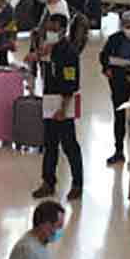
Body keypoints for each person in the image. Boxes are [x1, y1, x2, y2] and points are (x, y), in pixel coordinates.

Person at [29, 11, 86, 201]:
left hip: (64, 103)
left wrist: (63, 108)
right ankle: (48, 182)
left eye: (54, 29)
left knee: (69, 145)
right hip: (50, 100)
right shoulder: (49, 49)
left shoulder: (69, 52)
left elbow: (71, 82)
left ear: (62, 30)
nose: (50, 32)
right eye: (48, 29)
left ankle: (77, 184)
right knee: (50, 143)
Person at [100, 10, 130, 165]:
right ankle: (118, 151)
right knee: (119, 117)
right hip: (118, 82)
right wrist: (106, 68)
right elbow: (104, 56)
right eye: (128, 26)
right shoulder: (114, 39)